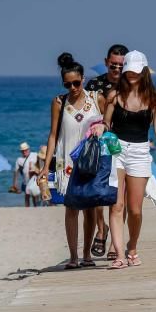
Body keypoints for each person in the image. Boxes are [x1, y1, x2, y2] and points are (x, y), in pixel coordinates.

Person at [99, 50, 156, 270]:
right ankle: (119, 255)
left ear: (144, 72)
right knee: (116, 205)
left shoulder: (154, 99)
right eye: (128, 70)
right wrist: (99, 130)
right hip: (116, 149)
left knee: (135, 209)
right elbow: (106, 124)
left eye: (136, 71)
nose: (131, 74)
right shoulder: (114, 95)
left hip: (140, 152)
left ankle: (132, 247)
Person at [40, 53, 106, 269]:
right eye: (68, 84)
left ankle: (87, 254)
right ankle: (73, 256)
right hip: (66, 160)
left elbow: (107, 127)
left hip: (90, 161)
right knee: (71, 209)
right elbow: (52, 135)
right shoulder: (59, 102)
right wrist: (44, 166)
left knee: (89, 209)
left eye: (76, 83)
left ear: (83, 79)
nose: (73, 88)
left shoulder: (97, 99)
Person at [86, 44, 128, 257]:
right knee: (98, 194)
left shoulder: (131, 84)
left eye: (121, 65)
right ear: (106, 62)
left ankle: (115, 243)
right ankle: (102, 230)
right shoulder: (94, 85)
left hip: (125, 144)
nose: (117, 69)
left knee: (121, 196)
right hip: (100, 145)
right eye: (113, 65)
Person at [11, 142, 42, 207]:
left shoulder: (35, 155)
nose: (24, 152)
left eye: (25, 150)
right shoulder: (19, 160)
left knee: (34, 196)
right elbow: (16, 172)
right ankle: (27, 209)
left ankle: (35, 208)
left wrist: (38, 171)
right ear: (21, 151)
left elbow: (41, 161)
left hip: (34, 180)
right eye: (23, 151)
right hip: (25, 181)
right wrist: (14, 184)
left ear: (28, 149)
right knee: (27, 196)